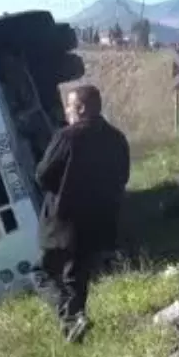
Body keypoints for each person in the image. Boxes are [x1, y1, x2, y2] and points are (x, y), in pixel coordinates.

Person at [35, 84, 130, 343]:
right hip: (99, 221)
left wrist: (63, 189)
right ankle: (75, 330)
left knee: (41, 274)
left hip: (64, 222)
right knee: (77, 276)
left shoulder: (67, 137)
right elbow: (122, 178)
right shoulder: (117, 139)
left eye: (69, 105)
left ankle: (71, 317)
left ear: (82, 108)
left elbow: (43, 176)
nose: (66, 110)